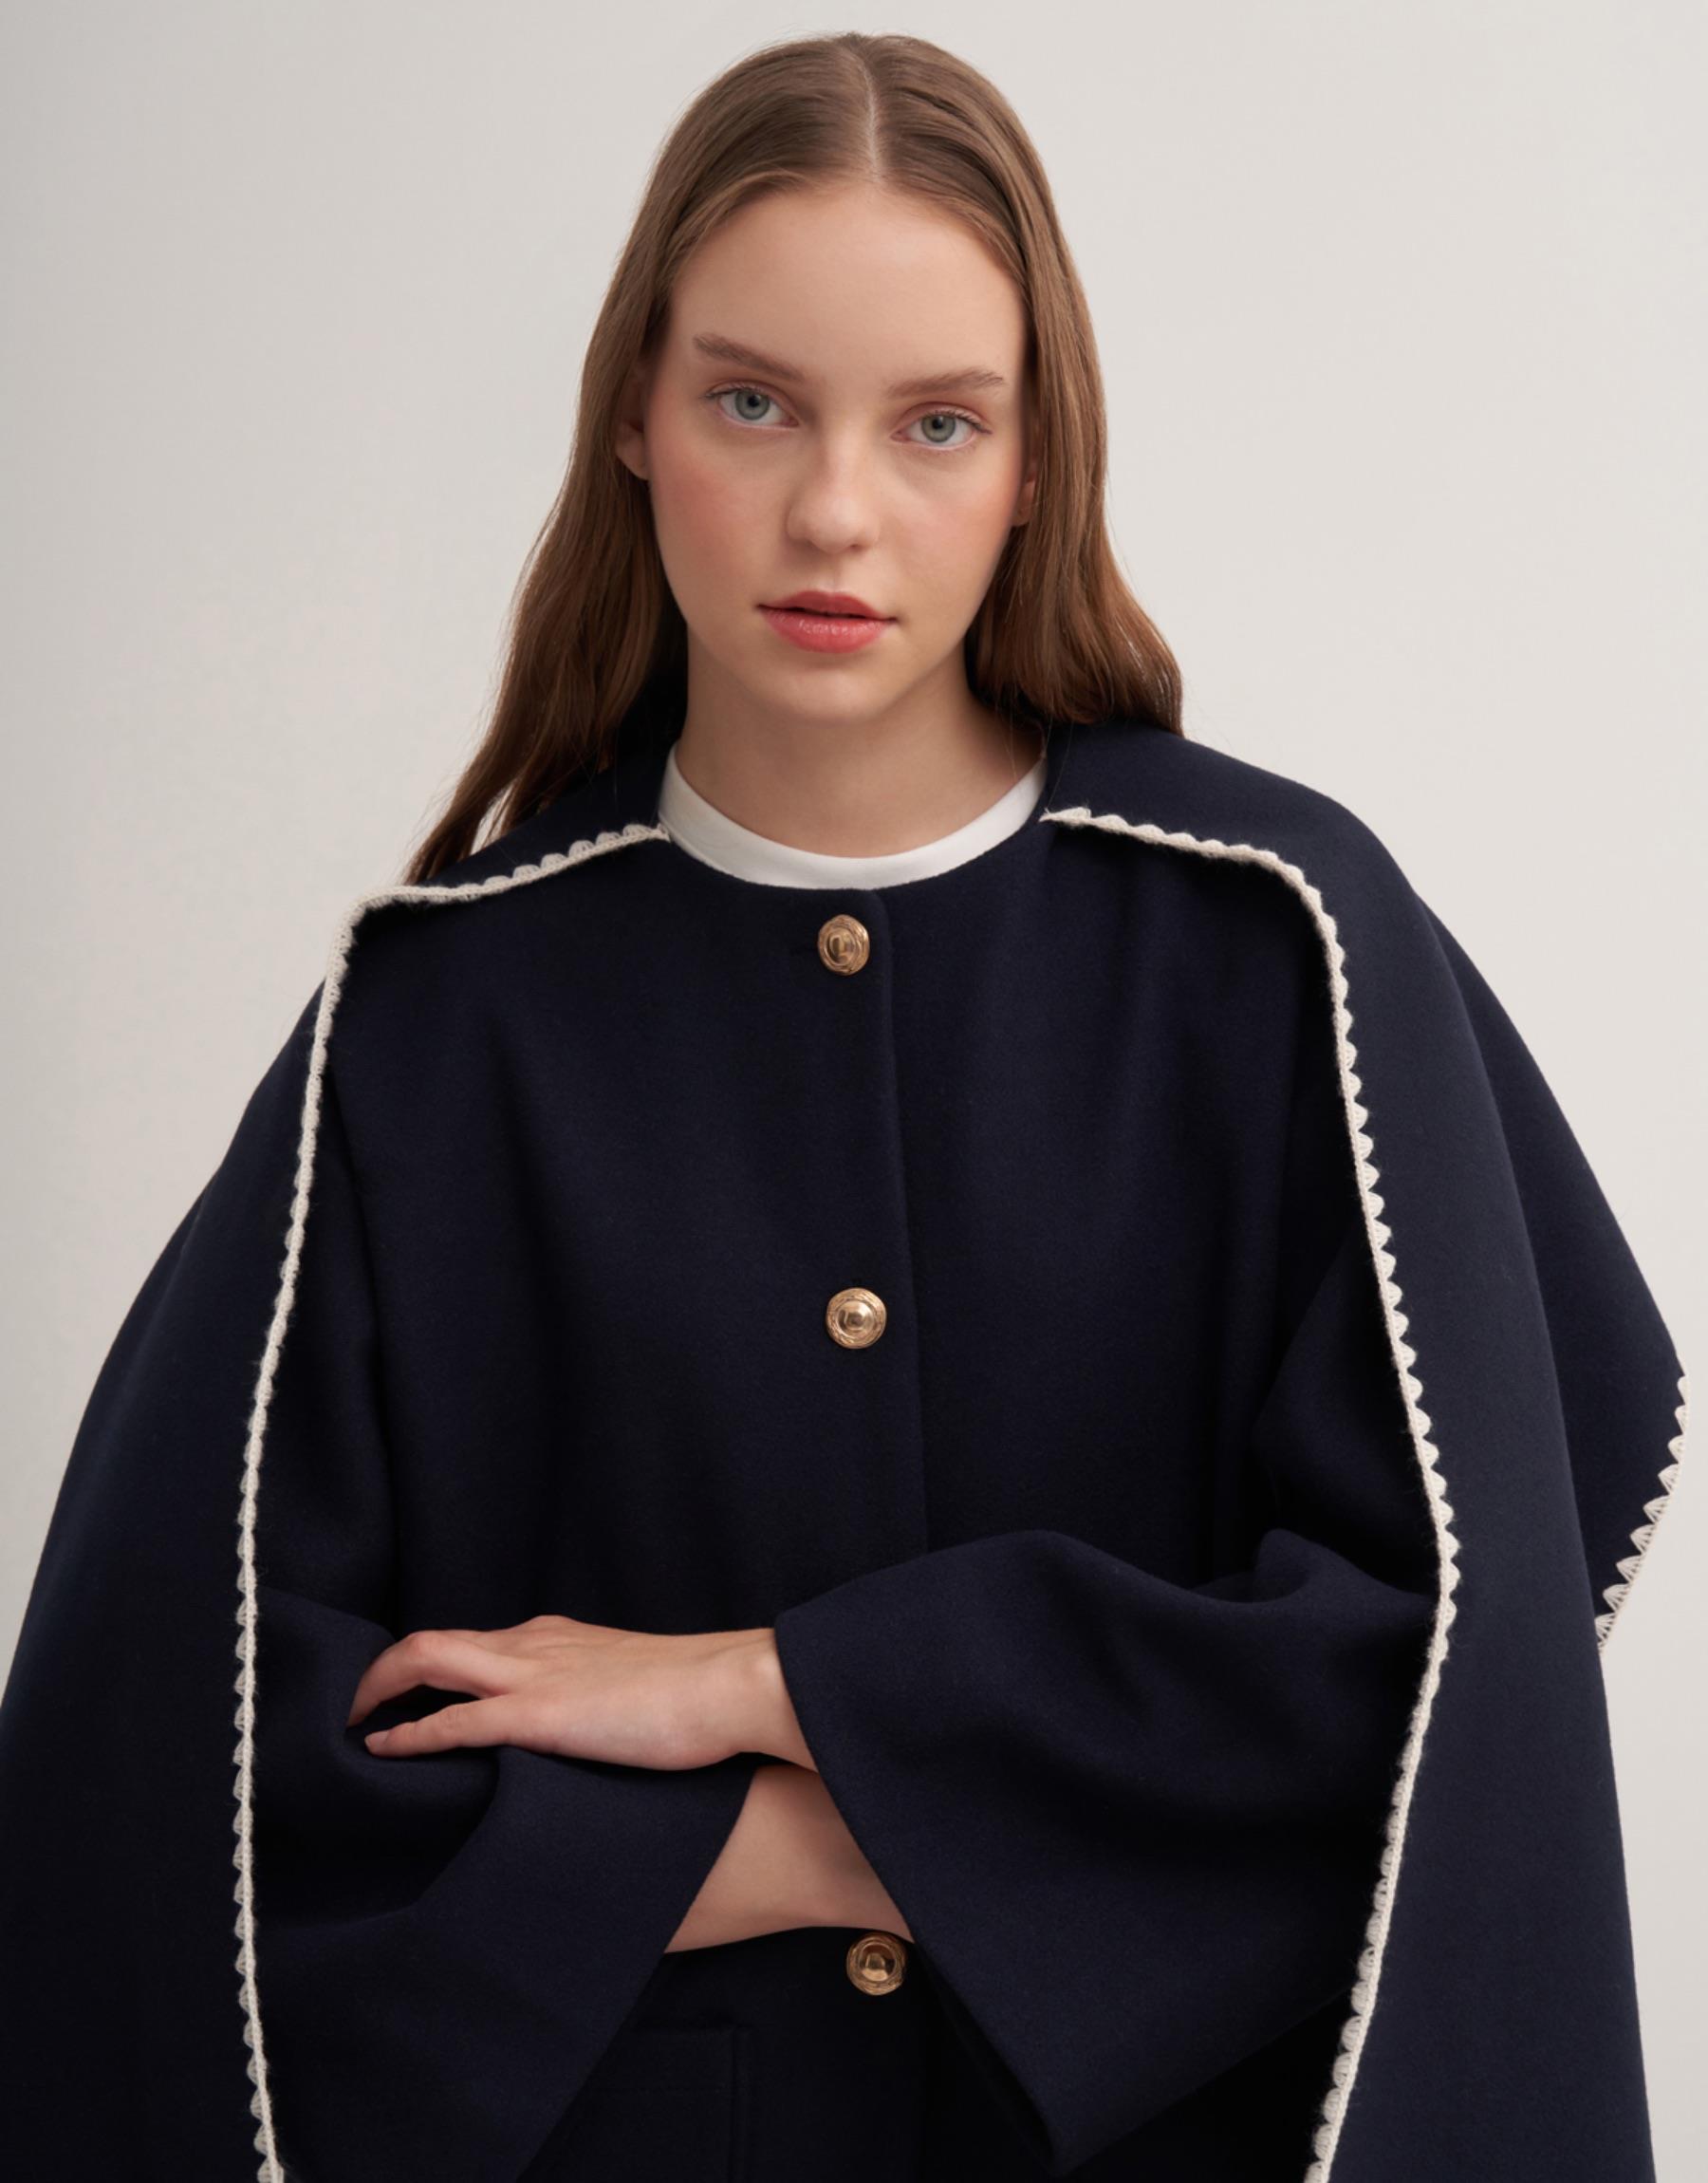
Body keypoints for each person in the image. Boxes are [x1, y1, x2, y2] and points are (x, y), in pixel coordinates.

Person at [0, 31, 1685, 2183]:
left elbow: (1448, 1668)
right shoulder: (433, 1024)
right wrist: (826, 1843)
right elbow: (177, 1763)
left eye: (937, 423)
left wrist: (764, 1690)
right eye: (752, 402)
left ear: (1038, 459)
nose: (834, 511)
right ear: (631, 409)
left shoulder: (1288, 951)